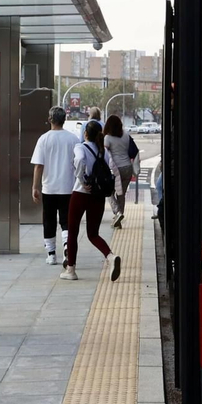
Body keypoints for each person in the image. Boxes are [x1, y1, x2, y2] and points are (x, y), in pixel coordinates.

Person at [62, 120, 121, 282]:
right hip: (98, 196)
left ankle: (71, 270)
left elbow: (79, 161)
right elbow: (113, 168)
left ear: (85, 134)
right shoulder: (103, 150)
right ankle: (110, 256)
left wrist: (82, 180)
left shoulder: (80, 147)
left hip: (81, 194)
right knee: (93, 233)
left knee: (72, 232)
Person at [30, 106, 77, 265]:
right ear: (64, 120)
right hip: (68, 187)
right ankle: (66, 247)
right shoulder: (73, 139)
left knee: (49, 220)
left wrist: (35, 187)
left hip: (49, 187)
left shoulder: (43, 139)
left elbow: (38, 166)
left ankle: (51, 254)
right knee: (66, 220)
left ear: (50, 119)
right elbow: (79, 163)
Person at [102, 115, 138, 228]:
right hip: (127, 168)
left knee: (109, 192)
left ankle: (118, 213)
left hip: (115, 170)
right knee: (121, 194)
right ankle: (119, 218)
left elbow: (105, 155)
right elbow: (134, 151)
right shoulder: (126, 136)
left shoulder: (107, 138)